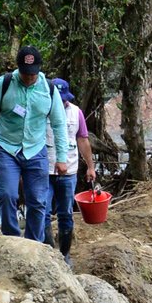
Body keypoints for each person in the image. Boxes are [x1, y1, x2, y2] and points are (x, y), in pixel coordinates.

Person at [0, 45, 71, 243]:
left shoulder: (48, 89)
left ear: (39, 69)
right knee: (7, 195)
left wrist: (62, 158)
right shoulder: (5, 84)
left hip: (36, 151)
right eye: (25, 74)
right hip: (6, 148)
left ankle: (33, 243)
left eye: (33, 74)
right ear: (18, 68)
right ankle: (12, 240)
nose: (29, 78)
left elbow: (59, 124)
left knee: (38, 201)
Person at [46, 78, 97, 262]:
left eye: (63, 99)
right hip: (44, 171)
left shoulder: (76, 113)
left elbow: (82, 140)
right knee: (42, 212)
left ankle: (64, 254)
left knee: (65, 213)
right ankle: (49, 254)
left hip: (68, 171)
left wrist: (90, 166)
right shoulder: (41, 109)